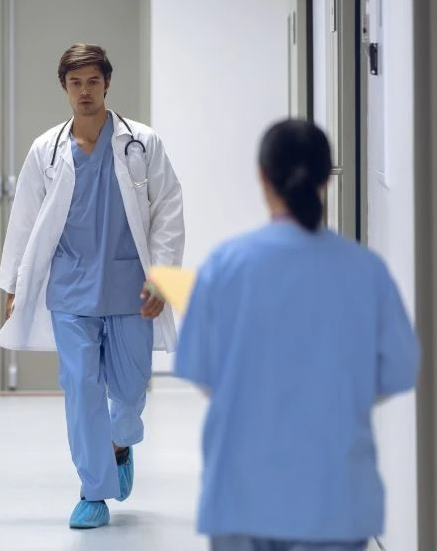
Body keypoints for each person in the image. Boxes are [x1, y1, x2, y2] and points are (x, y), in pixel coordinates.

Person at [171, 119, 420, 551]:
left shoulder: (225, 265)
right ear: (326, 178)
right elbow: (398, 371)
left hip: (241, 494)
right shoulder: (365, 270)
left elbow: (201, 371)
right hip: (334, 499)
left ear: (262, 177)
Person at [0, 43, 185, 529]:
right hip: (71, 288)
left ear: (106, 84)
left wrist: (164, 277)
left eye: (93, 82)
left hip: (130, 287)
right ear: (64, 87)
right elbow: (24, 221)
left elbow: (168, 210)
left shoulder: (141, 143)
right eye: (75, 83)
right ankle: (92, 491)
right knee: (80, 388)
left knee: (128, 393)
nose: (85, 91)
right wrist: (13, 285)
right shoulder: (47, 150)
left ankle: (120, 443)